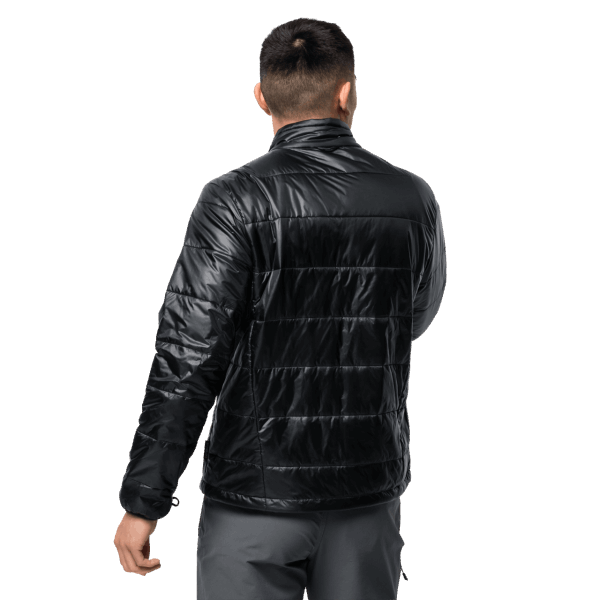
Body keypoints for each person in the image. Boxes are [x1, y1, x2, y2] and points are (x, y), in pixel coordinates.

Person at [114, 17, 447, 598]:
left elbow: (188, 358)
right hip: (367, 495)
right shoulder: (412, 197)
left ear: (261, 97)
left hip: (254, 496)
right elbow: (412, 318)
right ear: (348, 92)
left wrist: (145, 500)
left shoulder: (232, 199)